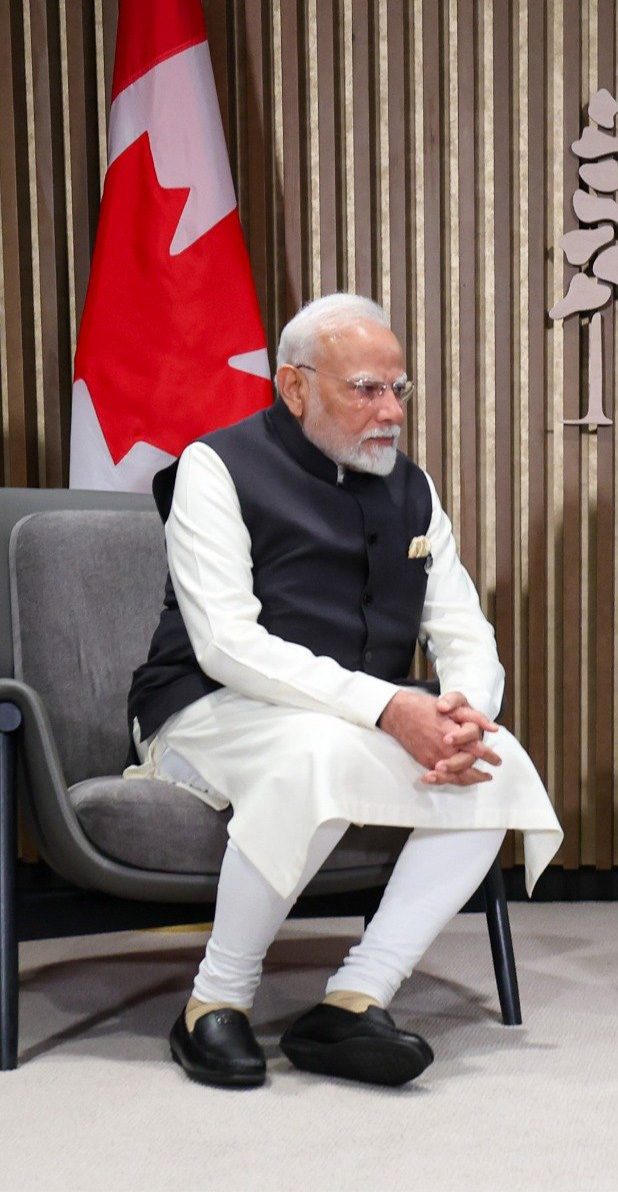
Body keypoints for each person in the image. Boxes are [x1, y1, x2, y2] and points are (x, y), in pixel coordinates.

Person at [126, 293, 563, 1089]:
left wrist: (464, 712)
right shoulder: (215, 466)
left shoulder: (412, 487)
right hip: (205, 707)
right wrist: (389, 706)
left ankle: (355, 1001)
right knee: (317, 750)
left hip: (349, 719)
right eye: (366, 389)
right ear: (295, 387)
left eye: (399, 389)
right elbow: (227, 644)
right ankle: (213, 1003)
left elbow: (462, 627)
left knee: (493, 762)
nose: (391, 411)